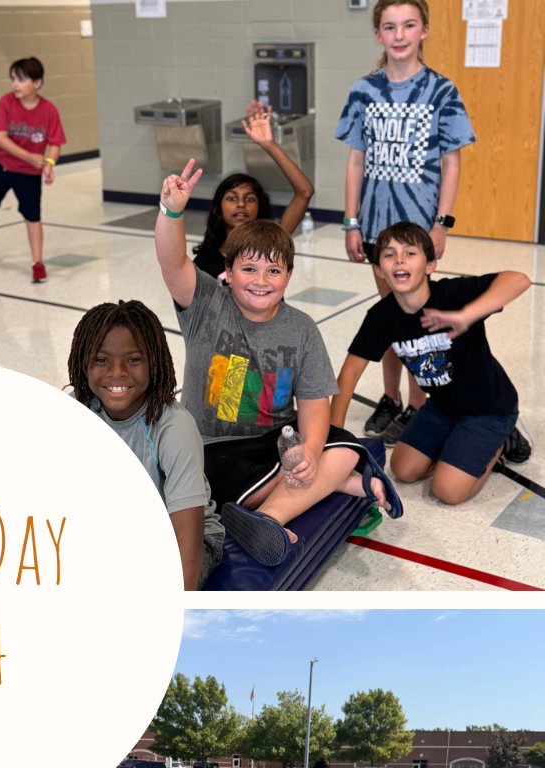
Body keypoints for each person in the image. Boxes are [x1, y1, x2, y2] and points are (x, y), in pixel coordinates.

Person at [154, 160, 402, 569]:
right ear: (227, 274)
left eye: (273, 270)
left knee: (339, 446)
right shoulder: (205, 306)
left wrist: (310, 451)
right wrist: (172, 211)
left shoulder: (302, 328)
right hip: (215, 449)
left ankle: (269, 517)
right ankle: (330, 488)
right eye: (248, 268)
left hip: (276, 440)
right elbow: (171, 261)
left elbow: (314, 405)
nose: (261, 279)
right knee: (294, 472)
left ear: (288, 276)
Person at [335, 0, 476, 446]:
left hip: (419, 229)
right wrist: (352, 222)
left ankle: (419, 405)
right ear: (378, 33)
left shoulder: (442, 91)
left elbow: (451, 164)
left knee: (418, 321)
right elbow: (355, 162)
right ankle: (391, 398)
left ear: (424, 31)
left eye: (408, 25)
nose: (399, 34)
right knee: (389, 318)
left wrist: (442, 223)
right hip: (377, 230)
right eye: (390, 26)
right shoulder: (364, 91)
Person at [331, 222, 532, 503]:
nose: (399, 259)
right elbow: (349, 373)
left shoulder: (452, 295)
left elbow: (519, 279)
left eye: (410, 253)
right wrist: (334, 438)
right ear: (379, 270)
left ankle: (502, 440)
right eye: (389, 255)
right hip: (441, 407)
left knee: (448, 491)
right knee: (403, 470)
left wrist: (467, 315)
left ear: (430, 265)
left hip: (489, 408)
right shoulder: (381, 316)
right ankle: (460, 445)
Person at [69, 299, 222, 588]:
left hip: (186, 537)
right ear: (83, 362)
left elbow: (186, 546)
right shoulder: (76, 413)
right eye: (101, 360)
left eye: (133, 360)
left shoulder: (173, 426)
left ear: (154, 362)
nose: (117, 372)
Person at [0, 56, 65, 285]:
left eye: (21, 79)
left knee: (33, 216)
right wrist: (31, 157)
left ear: (36, 83)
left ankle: (37, 263)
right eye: (12, 79)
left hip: (28, 174)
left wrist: (50, 164)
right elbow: (1, 138)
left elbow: (55, 143)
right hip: (0, 162)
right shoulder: (6, 102)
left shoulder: (49, 111)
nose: (15, 84)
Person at [192, 101, 315, 281]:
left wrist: (269, 144)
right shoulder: (204, 262)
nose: (241, 204)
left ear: (259, 208)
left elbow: (304, 192)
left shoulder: (272, 245)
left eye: (249, 199)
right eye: (232, 199)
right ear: (217, 209)